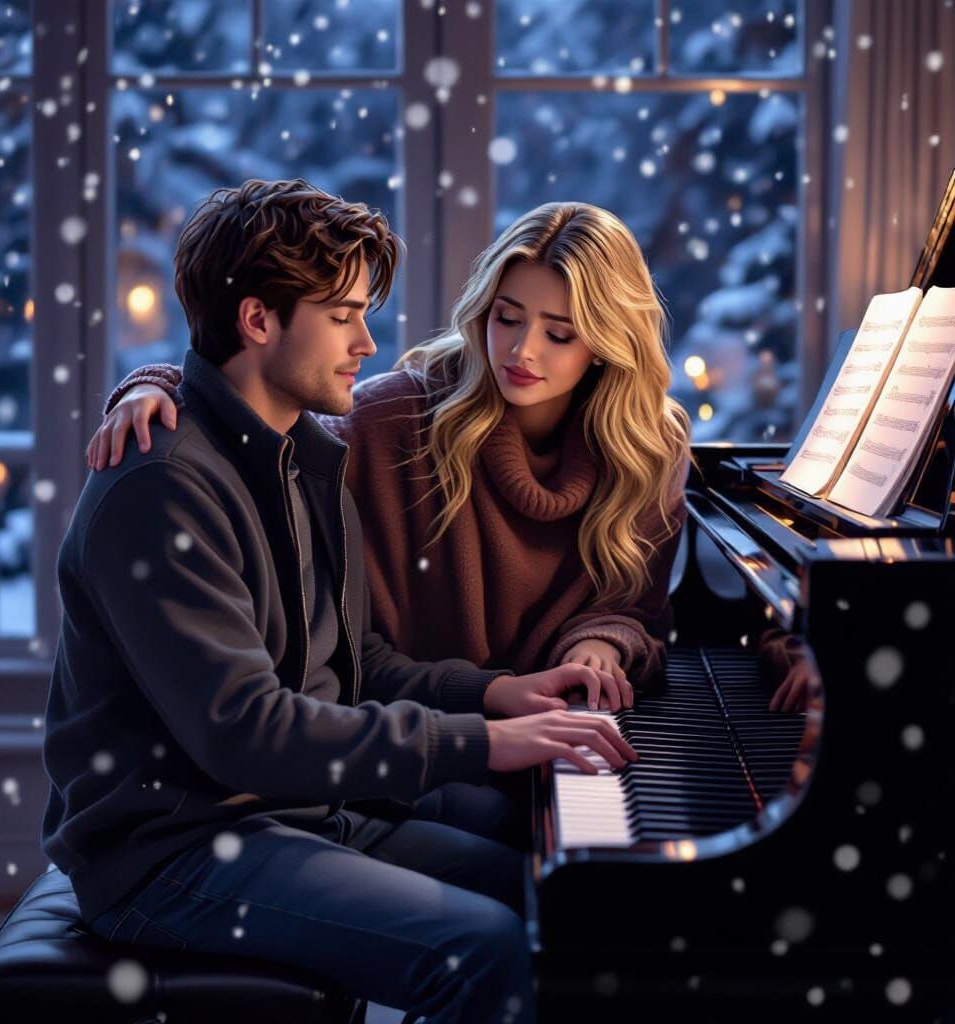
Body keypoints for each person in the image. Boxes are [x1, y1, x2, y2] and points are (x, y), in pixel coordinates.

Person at [44, 178, 637, 1024]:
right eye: (343, 314)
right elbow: (250, 733)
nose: (368, 342)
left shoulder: (304, 457)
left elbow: (358, 664)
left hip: (292, 813)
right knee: (488, 948)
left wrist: (495, 696)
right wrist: (485, 743)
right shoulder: (162, 487)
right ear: (258, 321)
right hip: (173, 849)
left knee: (560, 898)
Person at [93, 201, 691, 696]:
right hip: (414, 735)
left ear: (610, 344)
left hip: (558, 726)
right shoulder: (399, 416)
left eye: (559, 334)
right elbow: (259, 416)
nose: (521, 351)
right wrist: (162, 384)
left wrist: (601, 643)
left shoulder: (648, 446)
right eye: (506, 319)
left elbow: (634, 609)